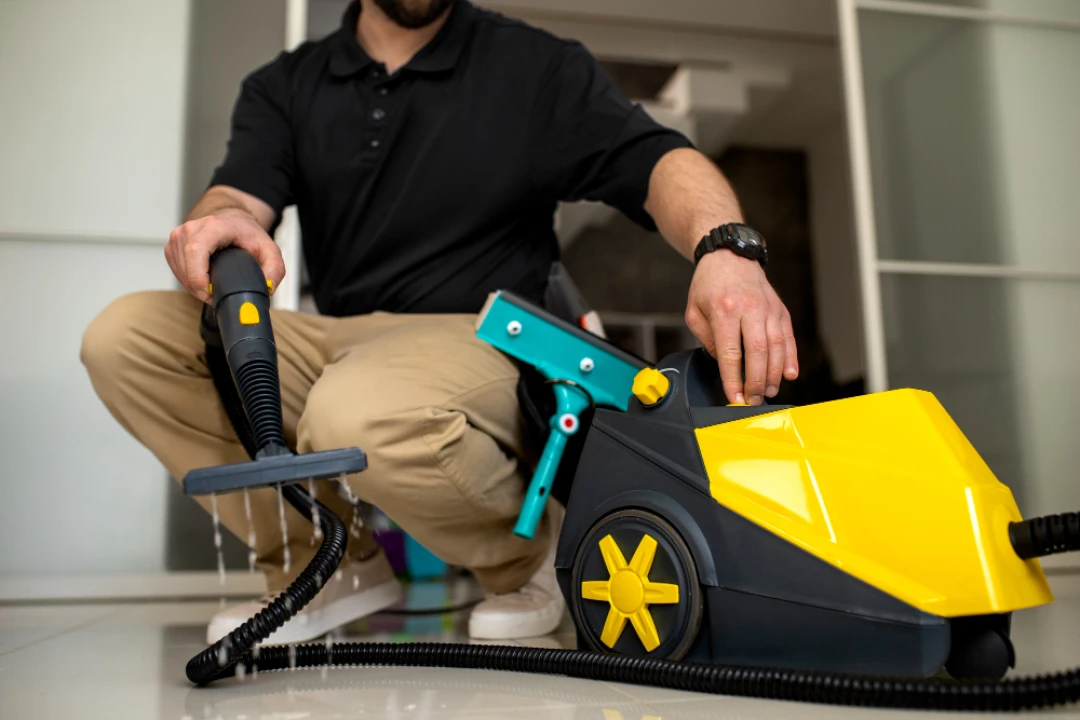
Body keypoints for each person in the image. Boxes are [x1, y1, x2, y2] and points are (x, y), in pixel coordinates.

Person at [81, 0, 798, 644]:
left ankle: (531, 555)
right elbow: (239, 192)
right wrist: (217, 223)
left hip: (483, 335)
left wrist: (726, 247)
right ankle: (328, 564)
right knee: (127, 339)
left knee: (357, 412)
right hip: (335, 338)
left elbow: (656, 161)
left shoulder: (533, 67)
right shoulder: (286, 85)